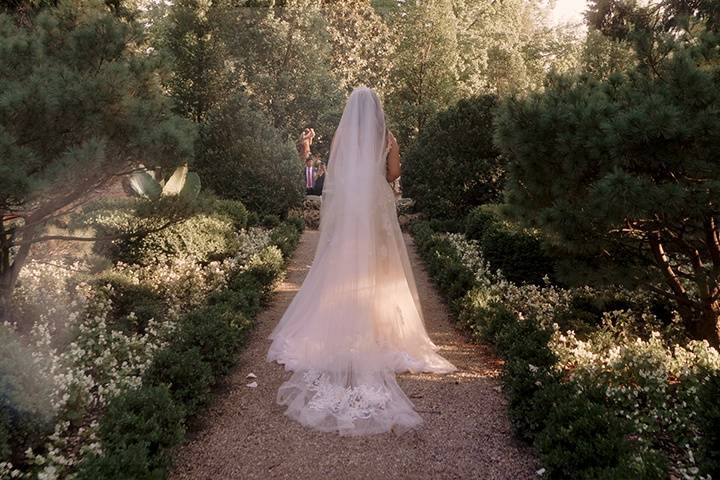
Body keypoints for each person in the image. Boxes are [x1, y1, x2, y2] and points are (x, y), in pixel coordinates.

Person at [266, 86, 456, 436]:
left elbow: (334, 174)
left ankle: (341, 323)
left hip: (353, 211)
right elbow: (394, 175)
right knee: (382, 270)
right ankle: (382, 328)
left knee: (343, 264)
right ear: (377, 109)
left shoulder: (341, 136)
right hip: (377, 207)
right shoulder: (388, 137)